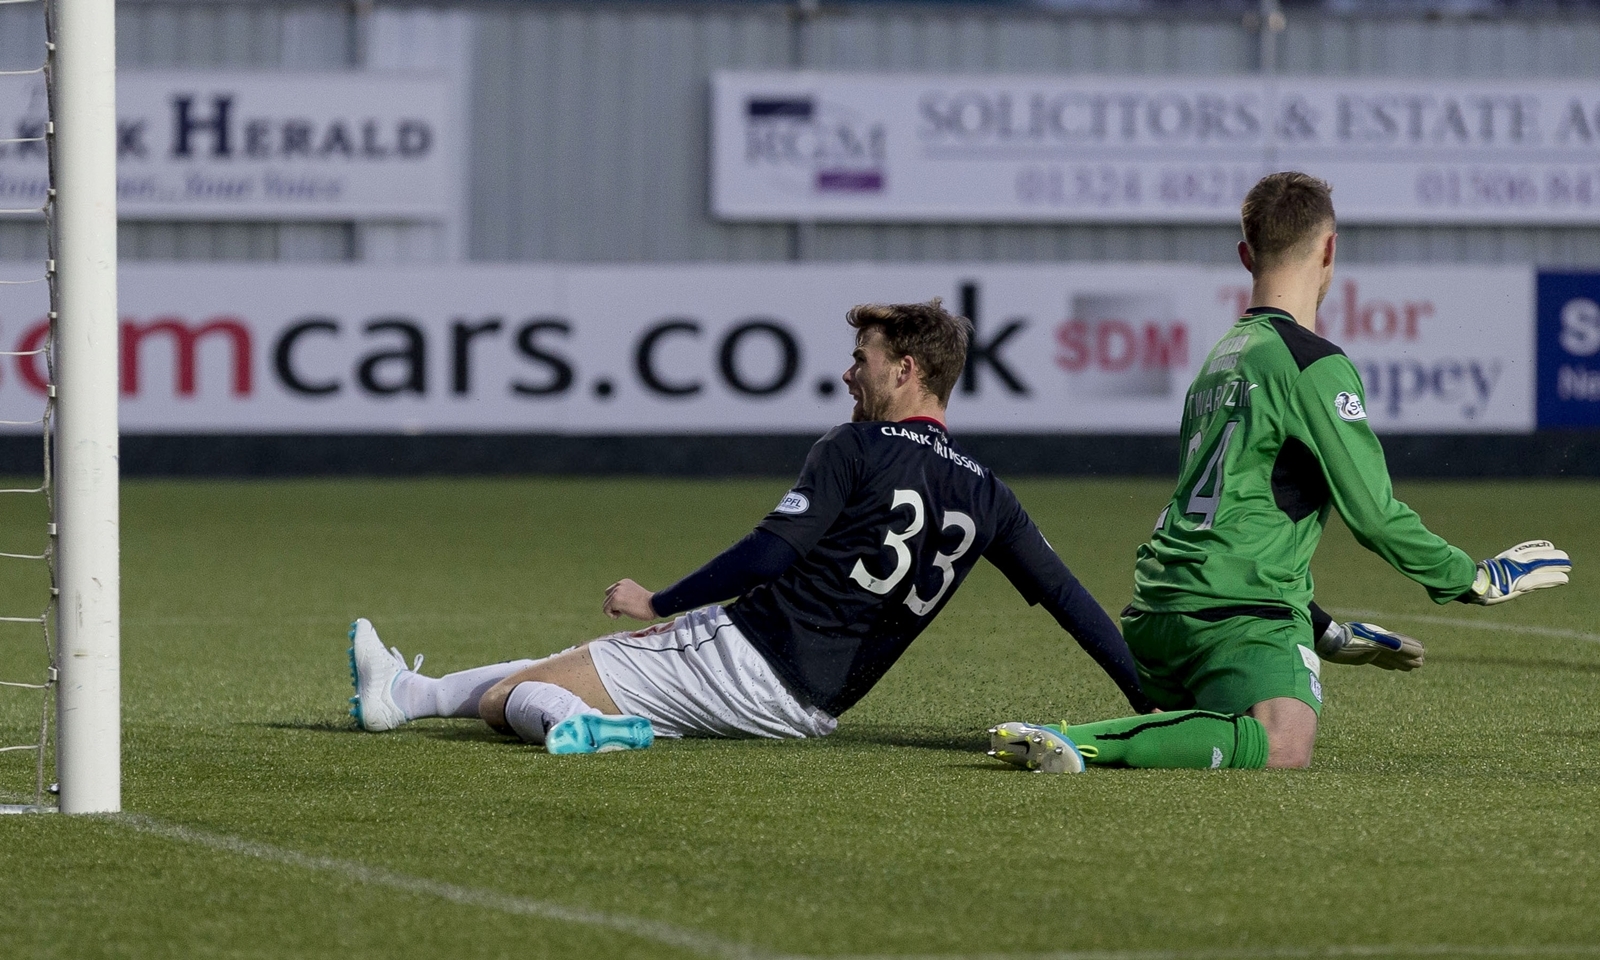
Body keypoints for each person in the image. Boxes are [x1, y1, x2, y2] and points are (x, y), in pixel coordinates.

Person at [347, 299, 1154, 754]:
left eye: (863, 358)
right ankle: (404, 695)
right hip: (814, 706)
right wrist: (1148, 705)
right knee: (556, 664)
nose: (848, 371)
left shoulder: (857, 446)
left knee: (510, 699)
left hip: (746, 654)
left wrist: (661, 597)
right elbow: (1071, 602)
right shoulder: (991, 495)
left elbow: (774, 552)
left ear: (905, 371)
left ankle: (576, 728)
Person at [988, 171, 1571, 774]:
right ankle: (1077, 742)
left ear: (1246, 255)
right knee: (1285, 743)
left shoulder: (1217, 361)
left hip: (1157, 618)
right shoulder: (1313, 364)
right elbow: (1374, 515)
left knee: (1221, 726)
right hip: (1235, 617)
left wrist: (1325, 631)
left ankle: (1155, 725)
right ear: (1329, 250)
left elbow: (1232, 513)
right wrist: (1472, 579)